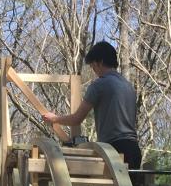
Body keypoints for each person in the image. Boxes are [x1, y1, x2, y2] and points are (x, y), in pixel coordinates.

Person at [41, 41, 141, 169]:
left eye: (93, 66)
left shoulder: (99, 85)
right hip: (134, 149)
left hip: (114, 151)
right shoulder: (128, 86)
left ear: (99, 62)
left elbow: (77, 119)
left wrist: (54, 119)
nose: (94, 70)